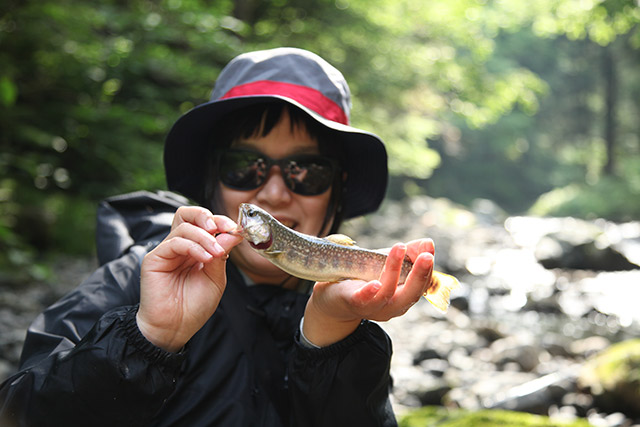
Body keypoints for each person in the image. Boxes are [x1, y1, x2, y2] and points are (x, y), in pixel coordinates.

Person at [0, 47, 437, 426]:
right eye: (245, 167)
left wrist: (331, 338)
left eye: (305, 171)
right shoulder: (133, 279)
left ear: (337, 189)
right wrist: (146, 337)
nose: (273, 193)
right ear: (213, 180)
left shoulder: (348, 309)